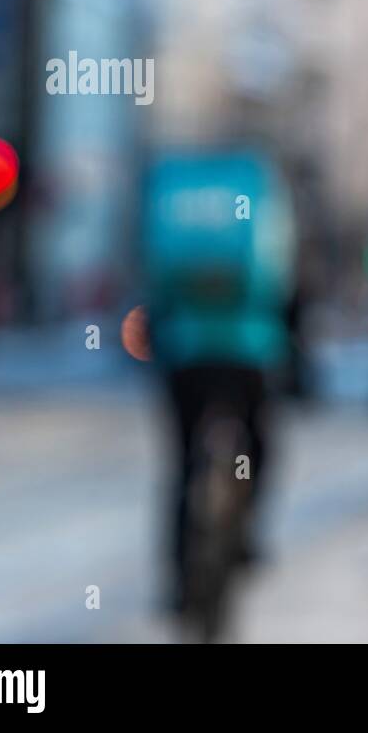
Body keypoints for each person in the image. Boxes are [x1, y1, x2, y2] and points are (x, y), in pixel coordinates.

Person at [141, 149, 296, 623]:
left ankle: (178, 578)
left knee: (183, 464)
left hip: (185, 350)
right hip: (247, 351)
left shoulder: (171, 189)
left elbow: (152, 280)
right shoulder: (261, 185)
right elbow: (281, 276)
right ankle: (245, 535)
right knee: (260, 447)